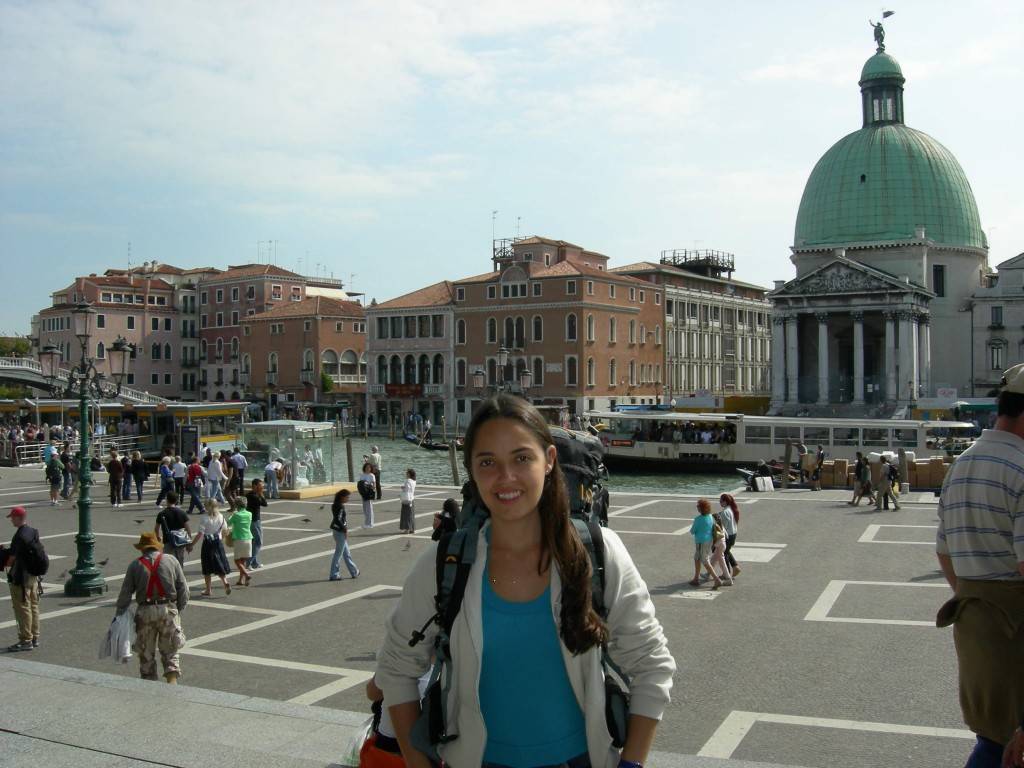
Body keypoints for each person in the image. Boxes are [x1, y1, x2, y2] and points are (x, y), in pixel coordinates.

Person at [376, 394, 675, 768]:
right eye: (488, 462)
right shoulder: (443, 564)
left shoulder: (599, 552)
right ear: (471, 468)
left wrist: (631, 765)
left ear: (549, 461)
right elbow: (396, 669)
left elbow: (652, 664)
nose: (506, 478)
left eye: (521, 458)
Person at [936, 362, 1024, 767]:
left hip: (975, 632)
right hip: (1016, 638)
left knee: (992, 742)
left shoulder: (962, 463)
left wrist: (978, 596)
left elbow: (945, 552)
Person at [114, 531, 189, 683]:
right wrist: (178, 610)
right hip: (168, 608)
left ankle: (149, 685)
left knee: (146, 653)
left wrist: (120, 613)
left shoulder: (135, 565)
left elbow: (125, 594)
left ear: (142, 548)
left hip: (145, 610)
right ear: (157, 547)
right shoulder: (171, 560)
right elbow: (183, 590)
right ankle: (172, 684)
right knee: (170, 651)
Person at [1, 507, 41, 651]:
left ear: (18, 518)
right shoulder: (32, 531)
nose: (11, 520)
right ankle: (34, 636)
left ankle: (25, 640)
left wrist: (4, 560)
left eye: (12, 517)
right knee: (33, 606)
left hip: (20, 577)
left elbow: (11, 559)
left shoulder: (19, 536)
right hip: (33, 576)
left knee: (22, 608)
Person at [187, 499, 232, 597]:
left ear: (207, 507)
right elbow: (225, 530)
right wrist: (220, 538)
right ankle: (225, 582)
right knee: (219, 563)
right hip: (218, 542)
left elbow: (200, 533)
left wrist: (192, 544)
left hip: (207, 543)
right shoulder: (221, 516)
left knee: (207, 567)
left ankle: (208, 590)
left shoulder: (204, 518)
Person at [689, 498, 722, 589]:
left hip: (701, 541)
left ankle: (716, 579)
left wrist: (694, 531)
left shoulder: (698, 519)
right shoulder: (710, 516)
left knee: (704, 560)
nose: (697, 507)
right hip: (709, 540)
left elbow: (693, 531)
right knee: (697, 558)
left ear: (702, 508)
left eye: (698, 506)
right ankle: (696, 578)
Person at [328, 488, 359, 581]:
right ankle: (334, 574)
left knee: (346, 553)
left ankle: (354, 571)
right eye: (347, 497)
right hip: (340, 532)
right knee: (338, 554)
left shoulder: (335, 505)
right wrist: (345, 530)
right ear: (342, 497)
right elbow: (339, 519)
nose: (348, 499)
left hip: (336, 531)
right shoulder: (341, 507)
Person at [154, 491, 192, 568]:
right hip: (180, 542)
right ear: (177, 500)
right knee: (179, 565)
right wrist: (189, 543)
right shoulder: (182, 513)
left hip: (168, 541)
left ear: (167, 500)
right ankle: (179, 578)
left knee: (168, 565)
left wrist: (158, 537)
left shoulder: (162, 514)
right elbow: (188, 529)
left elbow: (156, 528)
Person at [226, 498, 253, 587]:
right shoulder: (249, 514)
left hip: (239, 538)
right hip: (248, 538)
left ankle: (246, 574)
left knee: (237, 560)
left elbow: (228, 523)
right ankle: (241, 580)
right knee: (243, 559)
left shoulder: (236, 515)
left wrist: (231, 516)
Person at [245, 478, 268, 570]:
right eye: (259, 485)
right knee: (258, 542)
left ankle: (255, 563)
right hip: (254, 522)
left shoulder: (248, 495)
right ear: (254, 486)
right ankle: (248, 562)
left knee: (252, 542)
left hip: (249, 521)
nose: (261, 487)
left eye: (261, 485)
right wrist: (261, 495)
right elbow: (265, 504)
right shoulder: (253, 496)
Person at [718, 493, 741, 578]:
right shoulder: (731, 509)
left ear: (725, 502)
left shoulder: (725, 512)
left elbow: (723, 527)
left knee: (724, 553)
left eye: (720, 501)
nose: (719, 502)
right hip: (733, 533)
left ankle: (726, 573)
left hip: (728, 535)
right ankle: (735, 567)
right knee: (726, 551)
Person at [399, 468, 416, 534]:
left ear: (409, 474)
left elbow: (407, 488)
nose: (406, 474)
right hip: (411, 498)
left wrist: (403, 488)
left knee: (406, 514)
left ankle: (407, 529)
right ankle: (412, 528)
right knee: (411, 514)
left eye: (407, 473)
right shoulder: (413, 481)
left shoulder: (408, 481)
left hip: (406, 499)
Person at [359, 462, 376, 528]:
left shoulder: (372, 475)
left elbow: (374, 485)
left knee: (369, 508)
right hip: (363, 493)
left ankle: (370, 523)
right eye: (366, 467)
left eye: (369, 467)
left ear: (371, 468)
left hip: (369, 492)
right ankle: (366, 522)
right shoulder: (362, 475)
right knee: (365, 508)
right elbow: (360, 483)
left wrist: (368, 484)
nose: (367, 468)